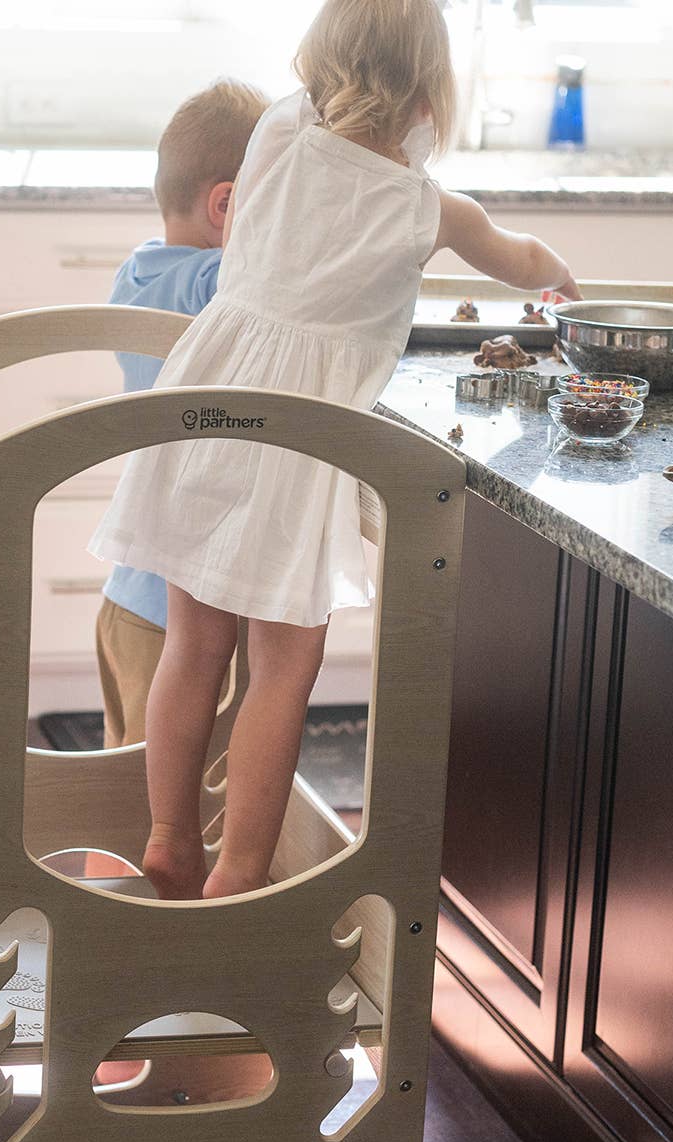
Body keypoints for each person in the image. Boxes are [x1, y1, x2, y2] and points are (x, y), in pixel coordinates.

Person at [89, 0, 580, 901]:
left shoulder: (277, 136)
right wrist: (562, 283)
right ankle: (240, 870)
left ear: (316, 66)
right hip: (299, 442)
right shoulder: (430, 209)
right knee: (283, 668)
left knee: (193, 645)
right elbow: (520, 257)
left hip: (205, 407)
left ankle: (168, 836)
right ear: (431, 96)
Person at [95, 78, 269, 756]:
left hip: (127, 600)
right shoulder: (209, 284)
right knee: (166, 787)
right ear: (227, 205)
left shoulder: (139, 272)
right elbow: (277, 276)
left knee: (125, 780)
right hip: (179, 618)